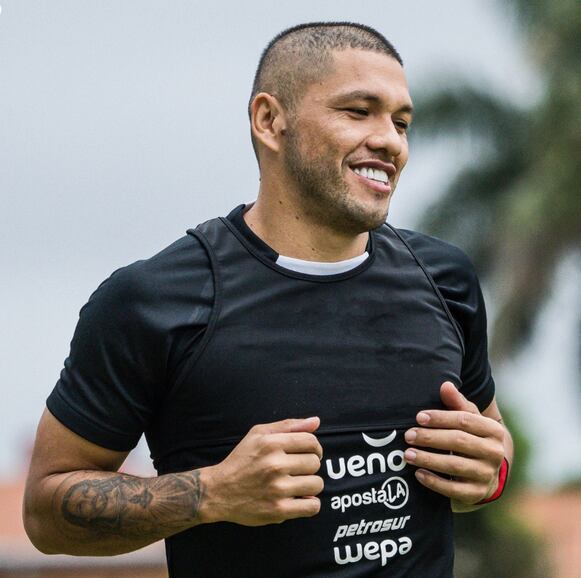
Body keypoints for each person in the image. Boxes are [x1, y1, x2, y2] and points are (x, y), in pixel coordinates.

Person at [23, 22, 513, 577]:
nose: (390, 140)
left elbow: (493, 448)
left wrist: (489, 473)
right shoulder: (155, 299)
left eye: (401, 122)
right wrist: (211, 493)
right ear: (269, 121)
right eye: (358, 111)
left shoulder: (445, 279)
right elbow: (44, 513)